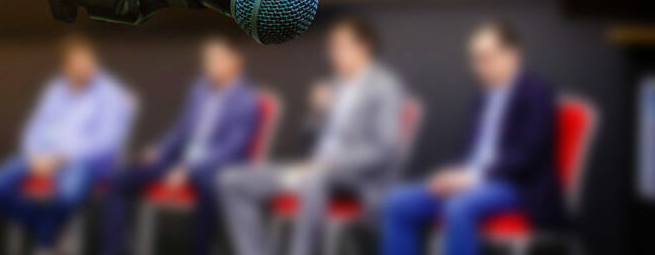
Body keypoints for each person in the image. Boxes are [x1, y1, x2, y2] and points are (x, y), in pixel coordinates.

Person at [219, 17, 406, 255]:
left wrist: (329, 166)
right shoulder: (333, 86)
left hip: (354, 178)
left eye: (340, 46)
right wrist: (317, 114)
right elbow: (307, 143)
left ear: (364, 47)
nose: (333, 53)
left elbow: (384, 149)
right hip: (311, 169)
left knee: (313, 181)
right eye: (331, 47)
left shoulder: (385, 86)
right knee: (231, 181)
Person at [381, 20, 564, 255]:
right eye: (475, 58)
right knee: (398, 203)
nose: (478, 66)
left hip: (517, 184)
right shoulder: (482, 98)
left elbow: (528, 154)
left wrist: (473, 177)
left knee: (458, 207)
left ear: (512, 54)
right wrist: (452, 175)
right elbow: (470, 153)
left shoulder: (537, 91)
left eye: (486, 57)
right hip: (472, 181)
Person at [100, 36, 259, 255]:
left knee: (210, 185)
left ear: (234, 61)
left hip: (213, 166)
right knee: (120, 178)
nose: (209, 64)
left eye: (215, 58)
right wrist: (159, 149)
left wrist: (189, 169)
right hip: (180, 159)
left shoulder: (246, 99)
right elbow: (182, 130)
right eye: (206, 59)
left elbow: (234, 149)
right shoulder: (199, 89)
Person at [0, 34, 136, 252]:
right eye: (76, 63)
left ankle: (46, 236)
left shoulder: (109, 93)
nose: (83, 67)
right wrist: (34, 155)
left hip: (82, 161)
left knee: (67, 195)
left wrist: (62, 158)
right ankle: (45, 228)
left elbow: (106, 142)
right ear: (66, 66)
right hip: (40, 157)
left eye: (87, 61)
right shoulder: (55, 90)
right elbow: (34, 127)